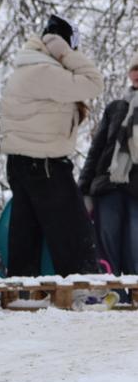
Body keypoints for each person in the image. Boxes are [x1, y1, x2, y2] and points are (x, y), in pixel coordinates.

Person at [0, 13, 102, 275]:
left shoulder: (26, 67)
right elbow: (94, 82)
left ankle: (23, 290)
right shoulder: (45, 71)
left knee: (27, 230)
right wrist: (65, 53)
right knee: (73, 229)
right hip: (44, 163)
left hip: (21, 163)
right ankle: (84, 288)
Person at [77, 50, 138, 275]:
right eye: (134, 69)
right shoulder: (116, 107)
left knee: (134, 249)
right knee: (106, 247)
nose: (137, 74)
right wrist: (83, 189)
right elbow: (96, 150)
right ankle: (111, 294)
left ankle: (133, 299)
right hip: (108, 186)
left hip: (136, 191)